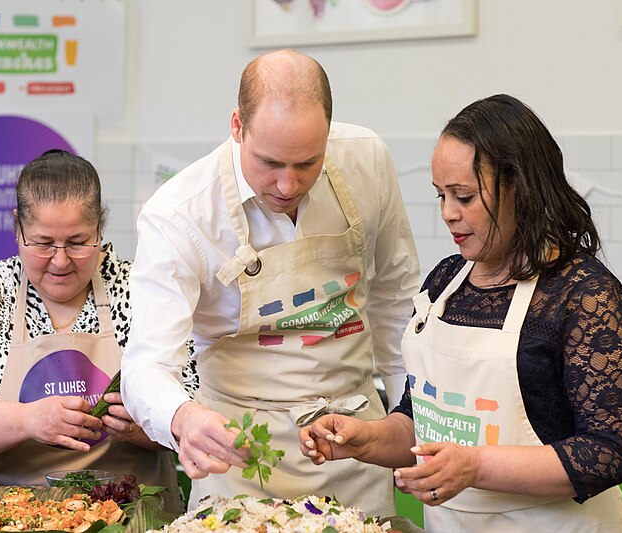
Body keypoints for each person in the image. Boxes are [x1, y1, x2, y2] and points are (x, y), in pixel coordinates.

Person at [299, 94, 622, 532]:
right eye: (441, 195)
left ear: (518, 186)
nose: (447, 213)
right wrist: (364, 437)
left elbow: (612, 450)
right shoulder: (445, 282)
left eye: (463, 196)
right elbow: (420, 420)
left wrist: (476, 466)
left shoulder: (582, 296)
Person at [122, 49, 421, 517]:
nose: (288, 185)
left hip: (352, 444)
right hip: (239, 457)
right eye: (270, 163)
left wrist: (411, 416)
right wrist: (186, 418)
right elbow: (146, 364)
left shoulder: (366, 161)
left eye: (307, 163)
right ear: (237, 126)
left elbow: (396, 299)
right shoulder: (179, 214)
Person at [0, 149, 182, 513]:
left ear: (100, 226)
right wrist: (27, 420)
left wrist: (146, 424)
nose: (61, 260)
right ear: (18, 228)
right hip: (4, 517)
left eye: (78, 242)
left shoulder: (139, 292)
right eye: (43, 243)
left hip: (130, 516)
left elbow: (194, 405)